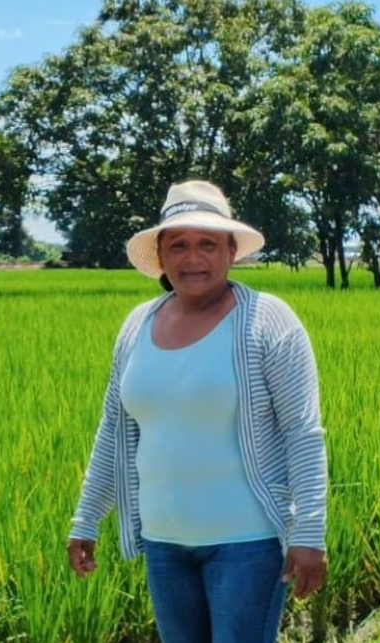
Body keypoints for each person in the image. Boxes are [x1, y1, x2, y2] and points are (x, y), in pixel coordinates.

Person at [66, 179, 328, 643]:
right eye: (179, 245)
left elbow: (302, 432)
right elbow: (114, 431)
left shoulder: (267, 321)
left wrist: (309, 532)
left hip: (247, 544)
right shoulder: (135, 326)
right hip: (165, 543)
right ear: (161, 257)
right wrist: (87, 519)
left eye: (208, 244)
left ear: (231, 251)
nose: (193, 258)